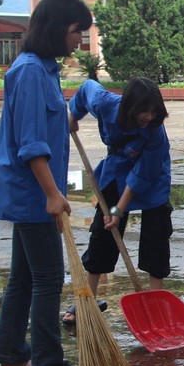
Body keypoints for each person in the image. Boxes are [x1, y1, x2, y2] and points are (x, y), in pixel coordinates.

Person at [0, 0, 92, 366]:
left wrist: (63, 118)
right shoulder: (31, 71)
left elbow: (38, 124)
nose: (79, 40)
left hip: (31, 192)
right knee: (48, 278)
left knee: (24, 277)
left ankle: (12, 358)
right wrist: (52, 194)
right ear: (56, 28)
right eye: (76, 31)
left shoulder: (43, 70)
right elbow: (31, 144)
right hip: (33, 193)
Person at [65, 76, 172, 325]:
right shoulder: (104, 103)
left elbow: (143, 174)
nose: (148, 116)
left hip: (152, 176)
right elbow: (85, 90)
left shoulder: (155, 131)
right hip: (117, 170)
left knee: (156, 235)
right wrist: (73, 116)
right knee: (103, 231)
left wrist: (119, 209)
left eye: (154, 111)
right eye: (144, 111)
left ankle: (155, 300)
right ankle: (88, 299)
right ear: (129, 106)